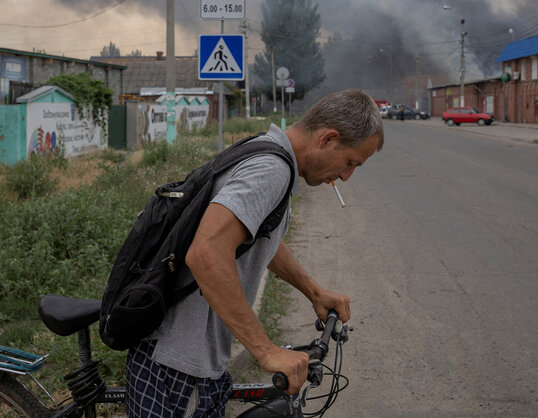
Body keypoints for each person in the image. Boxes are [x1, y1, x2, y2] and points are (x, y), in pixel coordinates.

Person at [125, 89, 385, 418]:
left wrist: (313, 291)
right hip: (179, 364)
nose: (347, 176)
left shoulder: (265, 149)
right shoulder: (271, 170)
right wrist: (265, 351)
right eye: (350, 162)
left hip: (189, 358)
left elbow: (255, 234)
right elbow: (207, 252)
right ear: (328, 138)